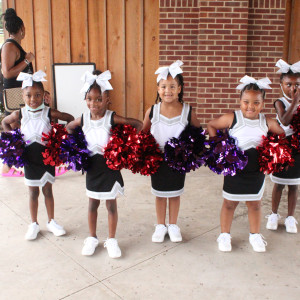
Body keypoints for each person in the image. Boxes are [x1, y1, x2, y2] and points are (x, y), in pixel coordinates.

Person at [66, 70, 142, 258]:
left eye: (99, 99)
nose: (94, 104)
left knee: (111, 206)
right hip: (93, 168)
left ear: (107, 100)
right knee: (92, 204)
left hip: (110, 168)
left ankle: (111, 239)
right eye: (90, 99)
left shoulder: (111, 118)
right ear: (86, 100)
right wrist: (76, 146)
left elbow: (137, 124)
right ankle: (92, 238)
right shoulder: (83, 119)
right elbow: (68, 128)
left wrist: (130, 145)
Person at [207, 76, 284, 252]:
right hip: (235, 170)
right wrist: (220, 146)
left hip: (256, 171)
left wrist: (272, 151)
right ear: (240, 101)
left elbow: (281, 134)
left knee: (255, 204)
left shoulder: (266, 121)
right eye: (246, 102)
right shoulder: (232, 118)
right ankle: (224, 235)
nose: (250, 106)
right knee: (229, 203)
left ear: (263, 103)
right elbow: (211, 125)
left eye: (256, 102)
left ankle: (255, 235)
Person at [1, 71, 74, 240]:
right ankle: (33, 224)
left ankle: (51, 221)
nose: (33, 99)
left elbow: (69, 118)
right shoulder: (20, 114)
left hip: (46, 158)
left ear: (44, 95)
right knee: (33, 192)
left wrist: (64, 137)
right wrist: (14, 140)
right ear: (22, 95)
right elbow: (4, 122)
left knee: (48, 190)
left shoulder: (49, 112)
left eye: (37, 95)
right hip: (30, 159)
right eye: (28, 95)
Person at [142, 60, 200, 243]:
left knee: (175, 193)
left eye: (172, 86)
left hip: (178, 159)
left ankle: (173, 225)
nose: (168, 90)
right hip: (157, 159)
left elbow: (198, 133)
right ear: (158, 89)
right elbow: (143, 133)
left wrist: (192, 150)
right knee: (160, 194)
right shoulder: (152, 111)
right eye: (164, 86)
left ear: (180, 88)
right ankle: (160, 225)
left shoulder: (188, 111)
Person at [266, 59, 300, 233]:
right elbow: (285, 120)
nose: (292, 88)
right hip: (282, 148)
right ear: (281, 85)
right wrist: (295, 101)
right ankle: (273, 214)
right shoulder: (280, 102)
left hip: (298, 149)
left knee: (294, 184)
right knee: (279, 184)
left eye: (297, 84)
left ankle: (290, 217)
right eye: (288, 84)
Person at [1, 8, 35, 176]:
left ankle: (10, 166)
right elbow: (7, 73)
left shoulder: (14, 45)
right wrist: (27, 60)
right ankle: (7, 167)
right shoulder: (9, 46)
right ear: (22, 28)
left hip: (21, 92)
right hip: (14, 94)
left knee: (19, 128)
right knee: (15, 127)